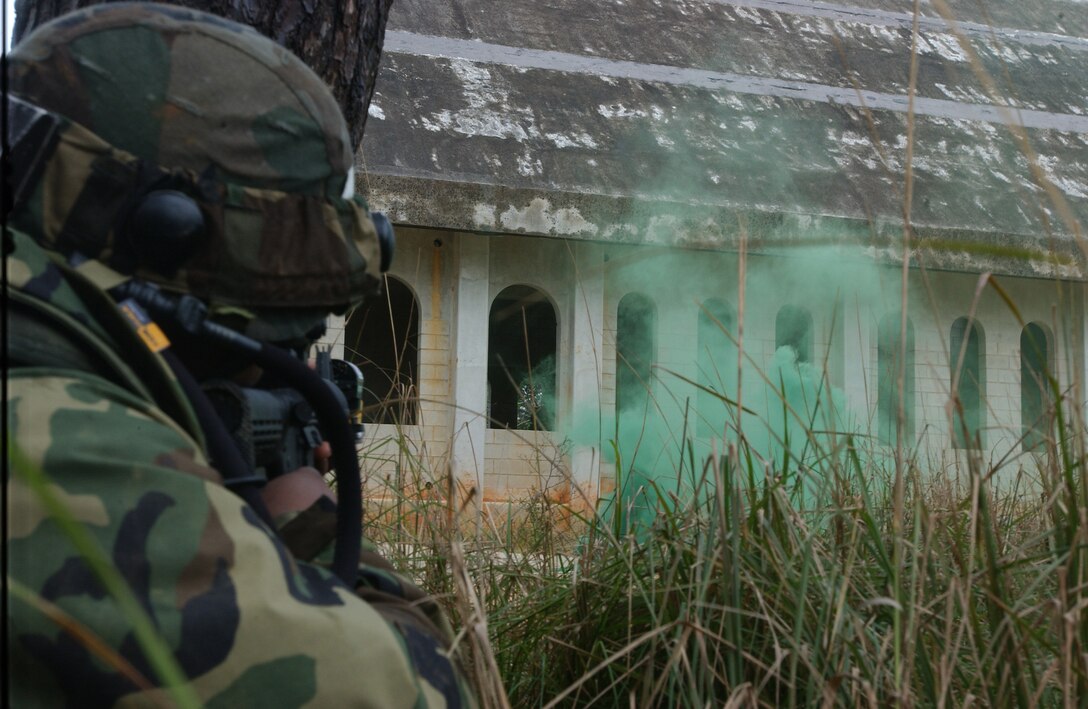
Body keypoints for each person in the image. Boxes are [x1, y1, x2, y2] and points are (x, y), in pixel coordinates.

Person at [5, 4, 477, 707]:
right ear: (166, 243)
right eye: (274, 348)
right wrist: (306, 521)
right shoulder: (55, 439)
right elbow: (404, 693)